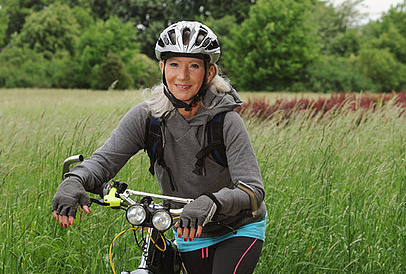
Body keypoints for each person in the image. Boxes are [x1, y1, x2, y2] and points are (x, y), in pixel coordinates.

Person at [52, 21, 267, 274]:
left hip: (237, 228)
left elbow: (252, 191)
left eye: (194, 66)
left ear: (209, 73)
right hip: (188, 229)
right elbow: (103, 161)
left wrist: (211, 202)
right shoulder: (147, 117)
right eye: (174, 64)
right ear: (163, 67)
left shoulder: (226, 121)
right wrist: (74, 180)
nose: (182, 76)